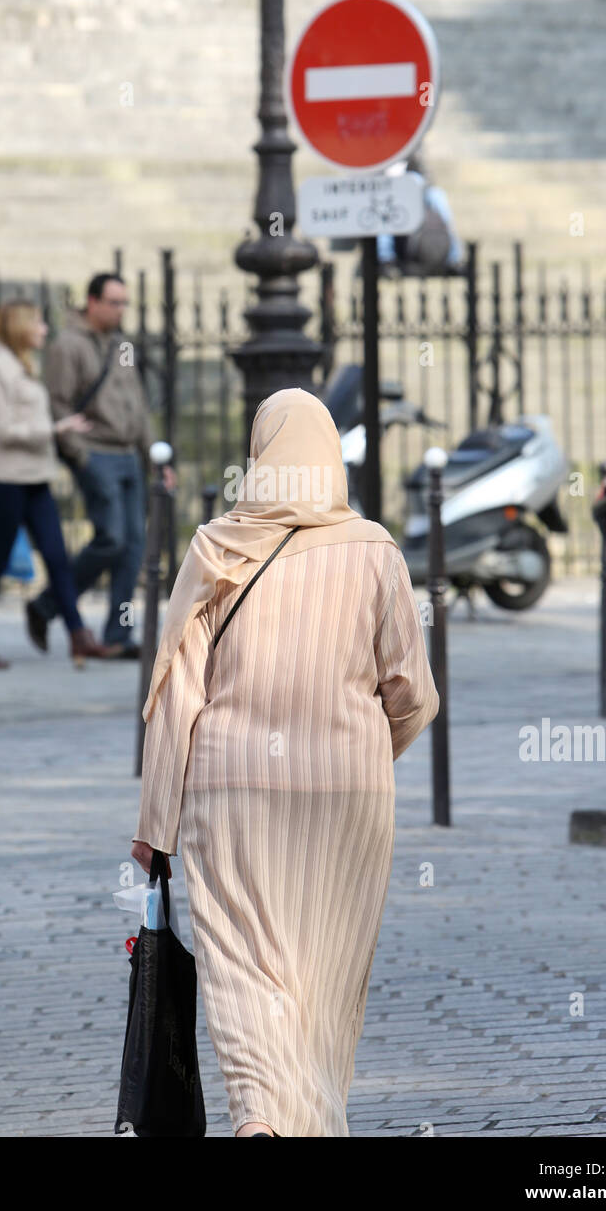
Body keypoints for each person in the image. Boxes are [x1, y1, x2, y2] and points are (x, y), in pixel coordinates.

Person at [130, 388, 439, 1138]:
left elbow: (178, 699)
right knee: (324, 981)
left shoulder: (216, 548)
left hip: (231, 792)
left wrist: (153, 825)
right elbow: (414, 694)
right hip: (348, 797)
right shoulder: (374, 550)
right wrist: (360, 751)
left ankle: (261, 1120)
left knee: (244, 970)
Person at [28, 274, 175, 660]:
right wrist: (79, 454)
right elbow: (58, 403)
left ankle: (116, 636)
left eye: (124, 302)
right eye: (113, 302)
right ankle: (48, 604)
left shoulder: (121, 344)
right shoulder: (67, 345)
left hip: (129, 453)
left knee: (132, 547)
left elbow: (139, 408)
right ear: (91, 302)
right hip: (95, 451)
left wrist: (155, 458)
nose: (120, 309)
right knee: (111, 538)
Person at [0, 299, 106, 669]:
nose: (44, 330)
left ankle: (79, 636)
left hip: (35, 476)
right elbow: (3, 429)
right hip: (4, 479)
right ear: (19, 327)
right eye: (37, 324)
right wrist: (56, 428)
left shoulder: (23, 365)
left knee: (57, 557)